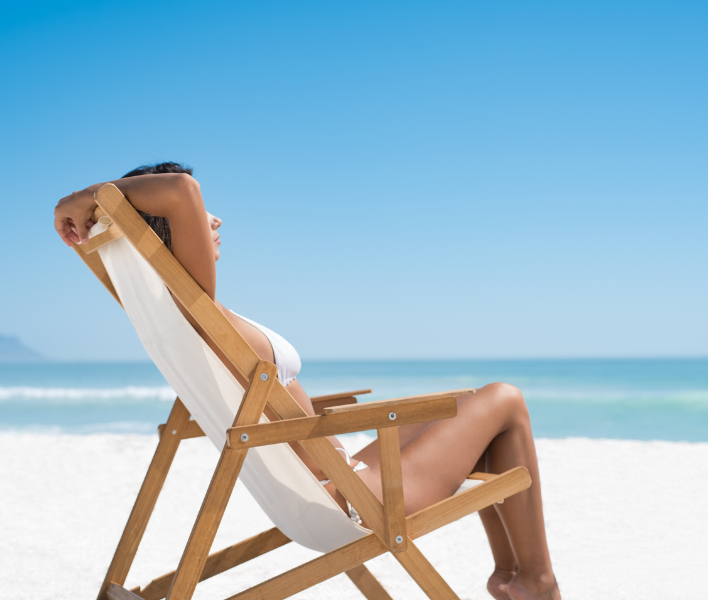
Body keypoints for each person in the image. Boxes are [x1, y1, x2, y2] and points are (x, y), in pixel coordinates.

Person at [54, 162, 561, 600]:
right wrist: (84, 198)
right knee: (505, 400)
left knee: (472, 408)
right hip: (350, 500)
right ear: (163, 227)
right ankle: (536, 583)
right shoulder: (196, 312)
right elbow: (183, 188)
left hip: (327, 482)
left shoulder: (178, 320)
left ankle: (514, 576)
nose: (215, 219)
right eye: (202, 217)